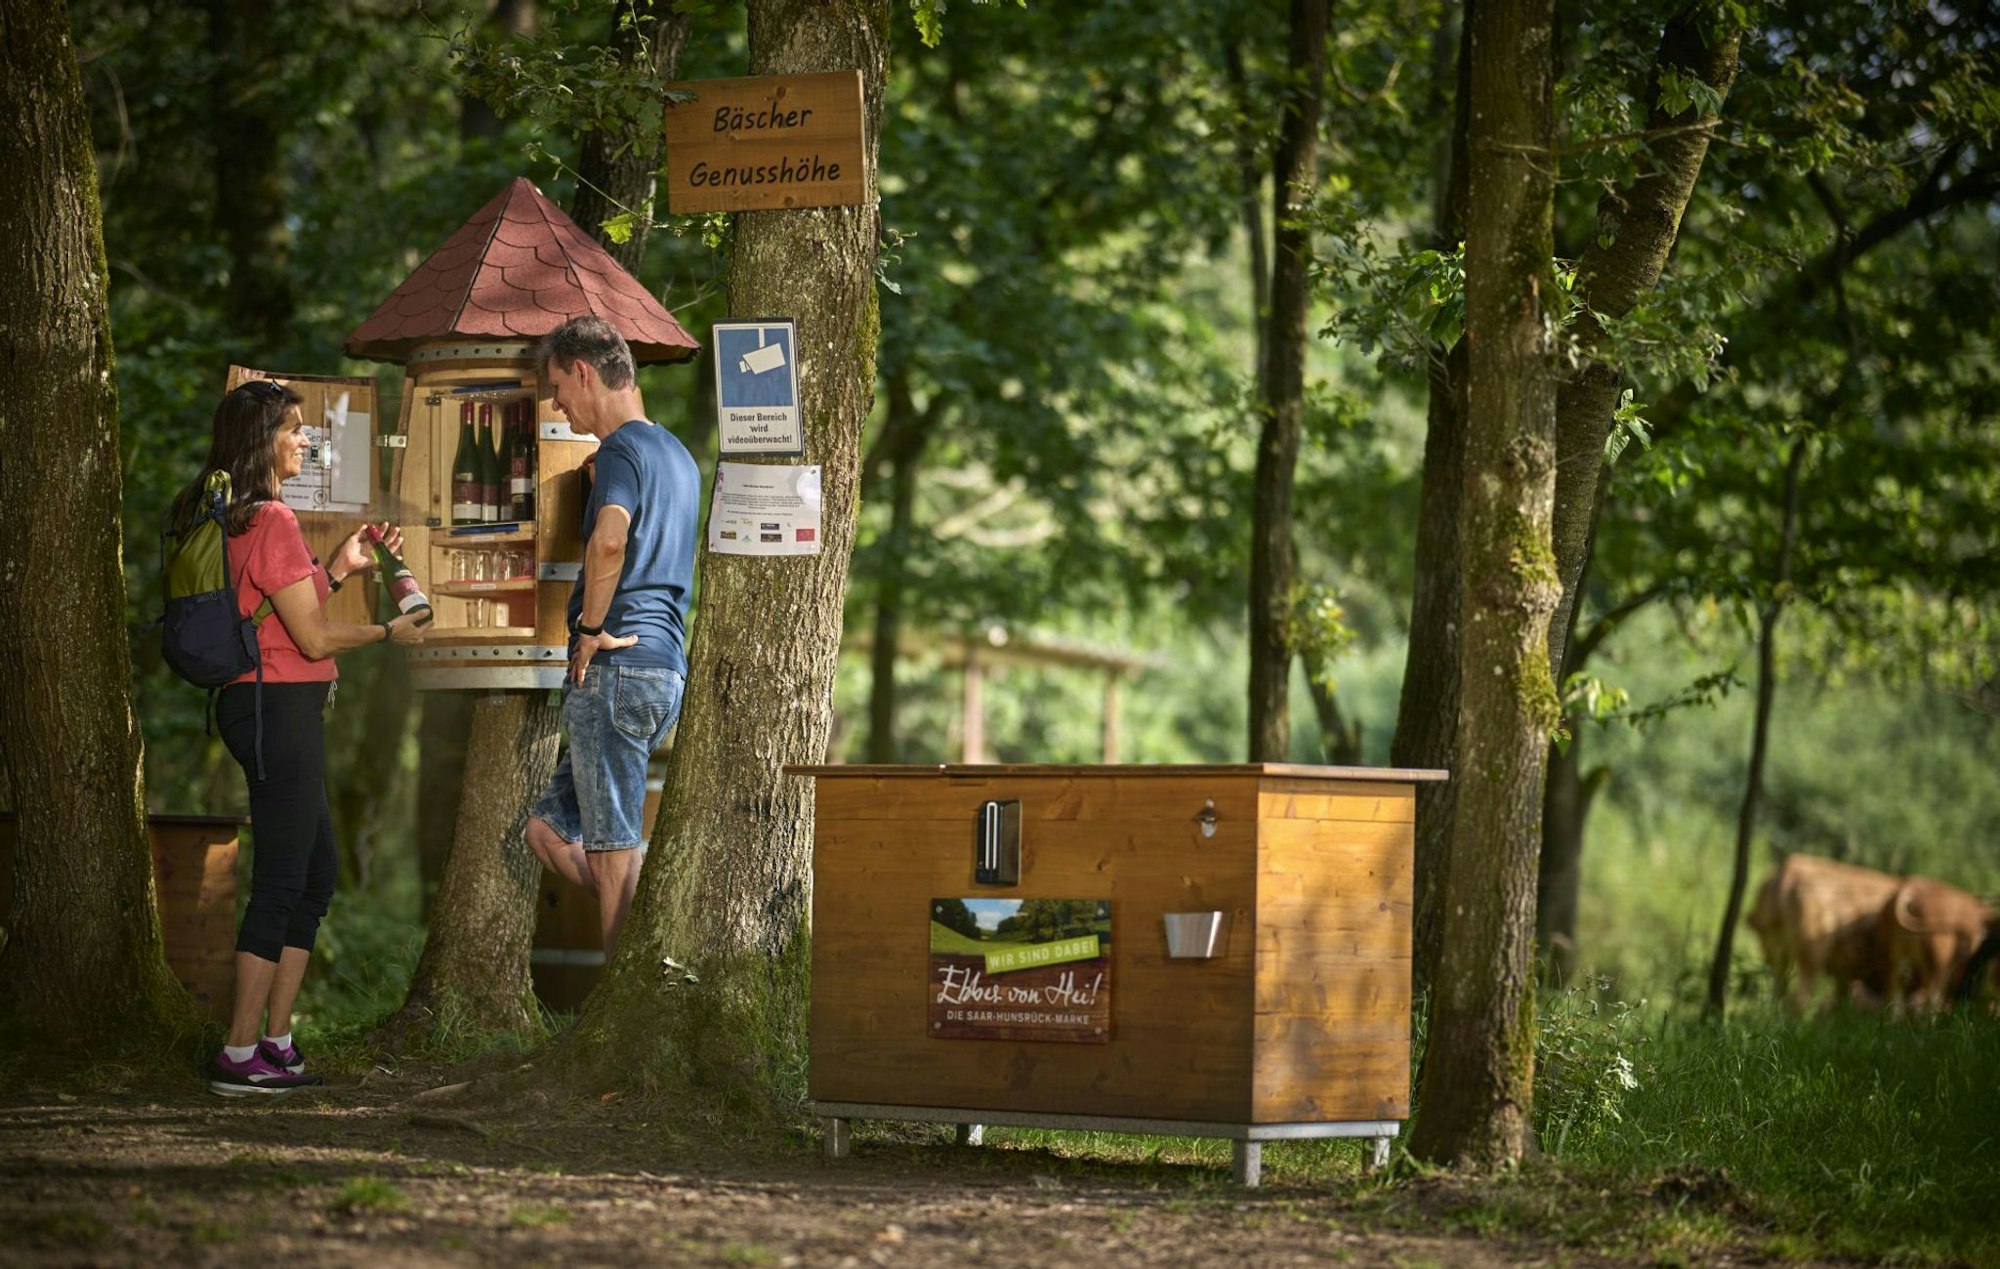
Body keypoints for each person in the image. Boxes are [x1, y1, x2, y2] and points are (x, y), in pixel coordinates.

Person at [166, 379, 432, 1095]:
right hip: (273, 709)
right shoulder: (272, 519)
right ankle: (239, 1049)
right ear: (264, 441)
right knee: (285, 878)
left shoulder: (241, 519)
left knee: (316, 874)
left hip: (266, 706)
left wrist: (338, 570)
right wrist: (386, 630)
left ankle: (276, 1039)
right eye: (294, 429)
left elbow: (280, 610)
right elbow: (311, 639)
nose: (306, 440)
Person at [524, 317, 700, 958]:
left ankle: (622, 989)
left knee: (613, 844)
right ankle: (642, 938)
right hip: (664, 672)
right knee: (546, 832)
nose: (556, 403)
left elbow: (610, 539)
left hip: (618, 667)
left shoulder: (624, 448)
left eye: (556, 386)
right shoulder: (676, 455)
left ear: (584, 371)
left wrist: (590, 631)